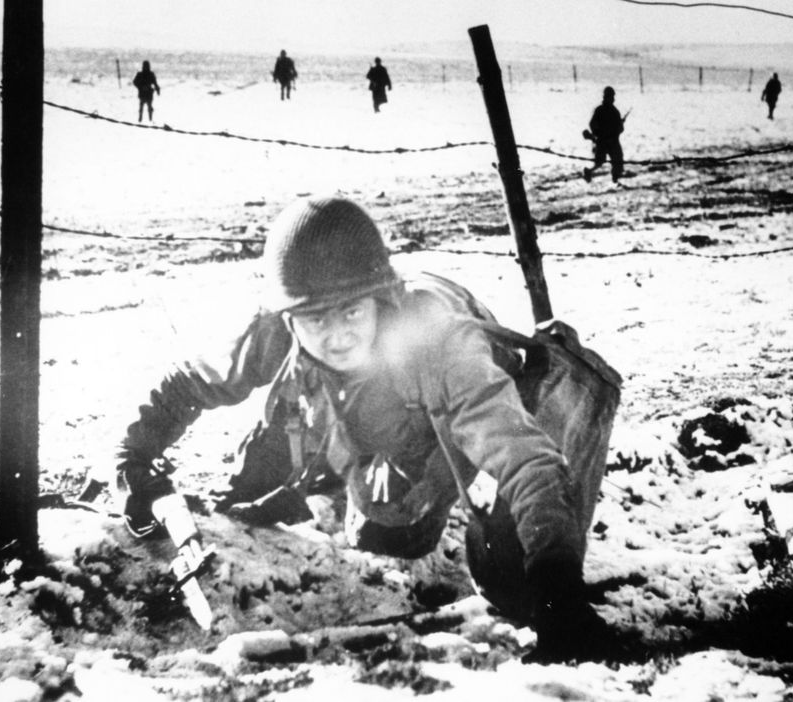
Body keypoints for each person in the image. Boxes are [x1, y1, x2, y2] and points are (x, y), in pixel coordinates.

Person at [113, 197, 630, 663]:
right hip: (377, 397)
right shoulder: (275, 327)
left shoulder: (442, 344)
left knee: (516, 587)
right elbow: (190, 383)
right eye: (315, 319)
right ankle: (350, 471)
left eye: (351, 312)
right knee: (383, 532)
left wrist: (558, 594)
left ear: (381, 300)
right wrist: (131, 457)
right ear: (289, 318)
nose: (336, 336)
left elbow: (526, 461)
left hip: (467, 397)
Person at [581, 86, 626, 184]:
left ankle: (590, 172)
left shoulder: (600, 110)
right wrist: (620, 124)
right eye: (612, 97)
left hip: (601, 141)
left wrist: (597, 134)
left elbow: (592, 124)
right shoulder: (614, 111)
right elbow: (620, 129)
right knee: (617, 160)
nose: (613, 99)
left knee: (600, 161)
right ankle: (616, 179)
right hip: (612, 142)